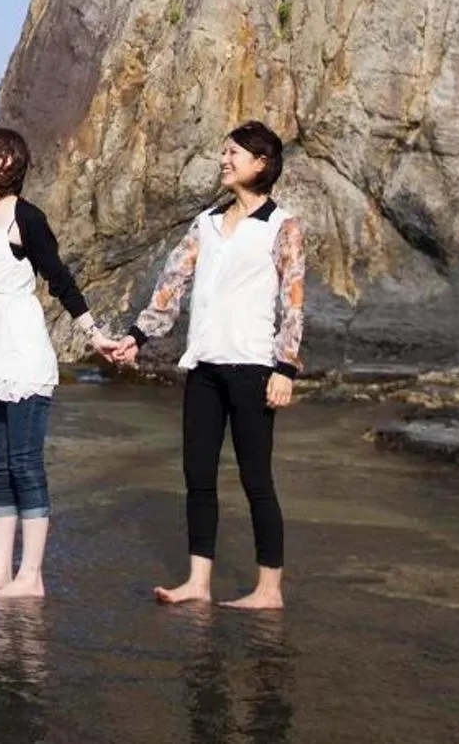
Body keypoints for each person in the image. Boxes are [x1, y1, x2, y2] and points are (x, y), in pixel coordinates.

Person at [108, 120, 305, 610]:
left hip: (254, 368)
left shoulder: (283, 226)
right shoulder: (207, 223)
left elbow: (293, 301)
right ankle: (198, 582)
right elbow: (171, 286)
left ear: (261, 163)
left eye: (233, 152)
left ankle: (269, 590)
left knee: (256, 480)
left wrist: (286, 368)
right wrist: (136, 336)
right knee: (198, 477)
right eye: (223, 152)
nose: (224, 159)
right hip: (204, 366)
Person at [0, 126, 119, 598]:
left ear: (6, 160)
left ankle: (31, 577)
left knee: (24, 464)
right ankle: (0, 570)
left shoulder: (26, 216)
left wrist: (95, 335)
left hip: (21, 355)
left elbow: (60, 279)